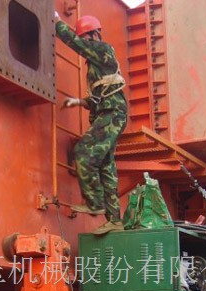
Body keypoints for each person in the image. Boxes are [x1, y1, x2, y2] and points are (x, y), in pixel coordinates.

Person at [55, 12, 128, 235]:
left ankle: (95, 203)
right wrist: (79, 102)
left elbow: (75, 43)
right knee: (106, 166)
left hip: (112, 114)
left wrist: (57, 23)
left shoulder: (103, 50)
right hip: (110, 113)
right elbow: (100, 95)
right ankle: (114, 220)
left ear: (95, 35)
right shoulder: (97, 65)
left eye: (85, 37)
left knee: (83, 152)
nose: (84, 41)